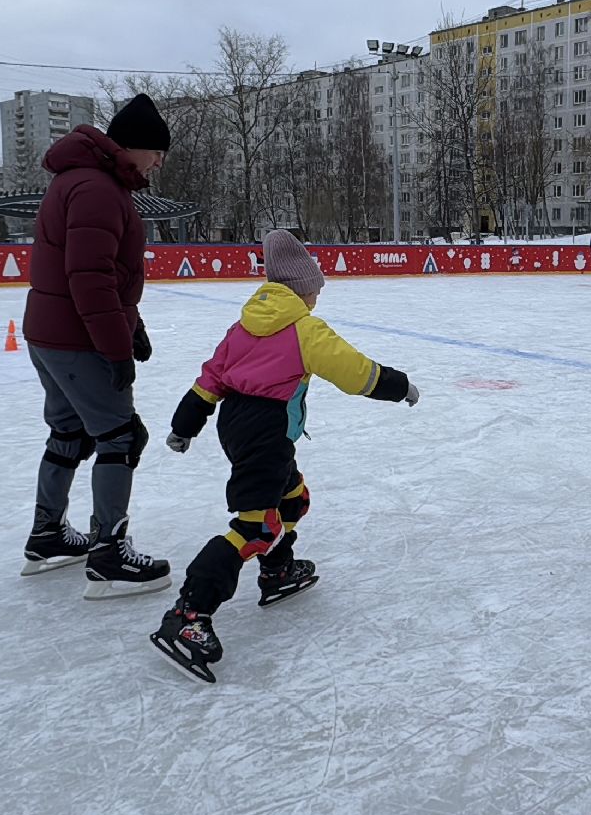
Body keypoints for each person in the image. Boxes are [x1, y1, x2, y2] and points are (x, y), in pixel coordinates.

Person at [150, 229, 420, 682]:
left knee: (294, 499)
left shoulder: (242, 327)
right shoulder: (305, 330)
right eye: (315, 289)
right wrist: (401, 386)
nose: (318, 296)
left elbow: (210, 378)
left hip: (239, 427)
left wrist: (184, 425)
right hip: (266, 434)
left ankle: (277, 571)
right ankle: (189, 615)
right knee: (257, 526)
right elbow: (354, 372)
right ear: (299, 289)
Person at [18, 94, 174, 600]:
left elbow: (106, 272)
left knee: (69, 432)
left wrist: (133, 323)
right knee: (121, 437)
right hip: (78, 339)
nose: (158, 163)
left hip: (52, 333)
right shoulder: (98, 189)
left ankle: (47, 535)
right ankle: (109, 553)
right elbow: (90, 278)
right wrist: (115, 348)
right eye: (157, 152)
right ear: (133, 146)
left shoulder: (81, 180)